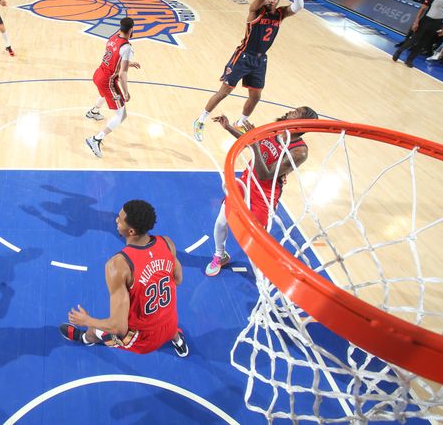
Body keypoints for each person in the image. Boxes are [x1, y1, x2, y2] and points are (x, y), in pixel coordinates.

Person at [193, 0, 304, 142]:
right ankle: (201, 119)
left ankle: (241, 122)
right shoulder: (255, 11)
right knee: (224, 92)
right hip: (243, 56)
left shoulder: (280, 14)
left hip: (260, 60)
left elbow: (299, 6)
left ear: (279, 0)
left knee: (256, 96)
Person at [59, 200, 188, 357]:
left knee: (96, 330)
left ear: (132, 231)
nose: (116, 220)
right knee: (167, 325)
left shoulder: (119, 265)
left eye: (120, 219)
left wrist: (86, 320)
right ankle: (178, 340)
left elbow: (118, 328)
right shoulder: (167, 243)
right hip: (171, 323)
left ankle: (86, 338)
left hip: (143, 339)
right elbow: (178, 279)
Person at [206, 106, 317, 276]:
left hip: (265, 192)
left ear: (302, 123)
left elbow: (265, 175)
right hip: (245, 181)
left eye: (296, 113)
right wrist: (228, 127)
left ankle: (262, 269)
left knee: (256, 238)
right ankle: (219, 255)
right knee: (222, 221)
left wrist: (257, 146)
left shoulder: (299, 151)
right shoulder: (275, 130)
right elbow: (248, 140)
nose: (290, 112)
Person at [85, 17, 139, 158]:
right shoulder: (127, 47)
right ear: (132, 30)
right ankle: (96, 139)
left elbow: (114, 56)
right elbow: (122, 74)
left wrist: (128, 63)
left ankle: (93, 112)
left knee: (105, 95)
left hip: (98, 73)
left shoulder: (114, 37)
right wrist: (126, 93)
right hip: (108, 80)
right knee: (122, 115)